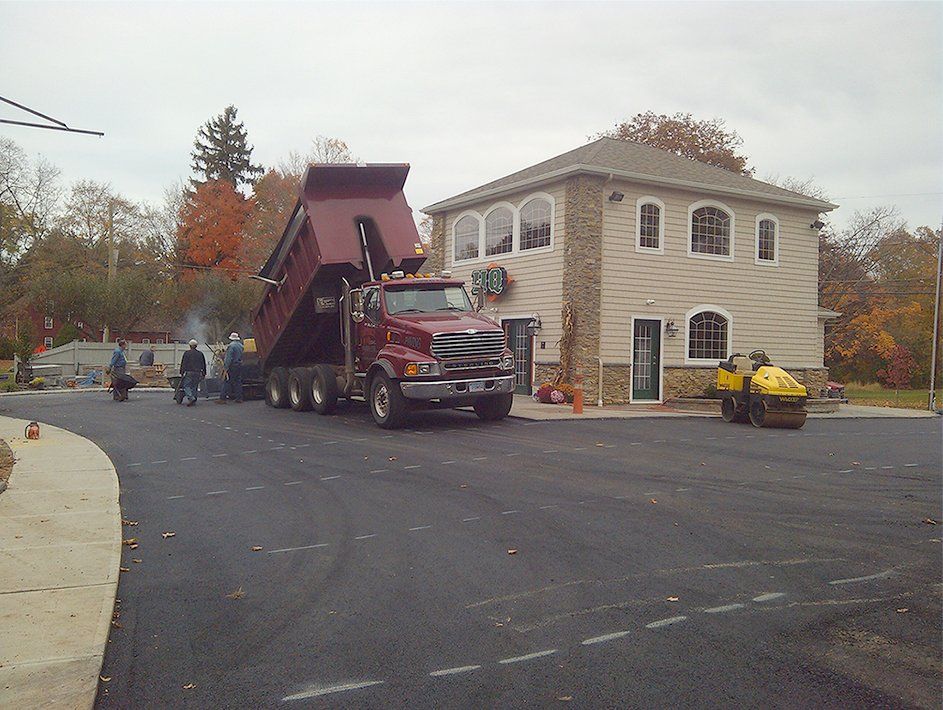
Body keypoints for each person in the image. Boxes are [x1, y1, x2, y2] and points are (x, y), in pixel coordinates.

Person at [216, 332, 244, 404]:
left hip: (232, 366)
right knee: (238, 382)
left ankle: (222, 398)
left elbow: (229, 358)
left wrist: (225, 367)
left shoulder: (231, 346)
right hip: (239, 365)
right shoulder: (241, 346)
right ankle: (239, 398)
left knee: (226, 381)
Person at [179, 339, 206, 406]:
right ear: (196, 346)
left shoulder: (187, 353)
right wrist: (204, 373)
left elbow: (183, 363)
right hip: (198, 372)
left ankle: (191, 398)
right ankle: (194, 398)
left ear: (190, 346)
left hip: (189, 372)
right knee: (194, 386)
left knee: (186, 386)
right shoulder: (200, 354)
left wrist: (181, 372)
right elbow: (203, 364)